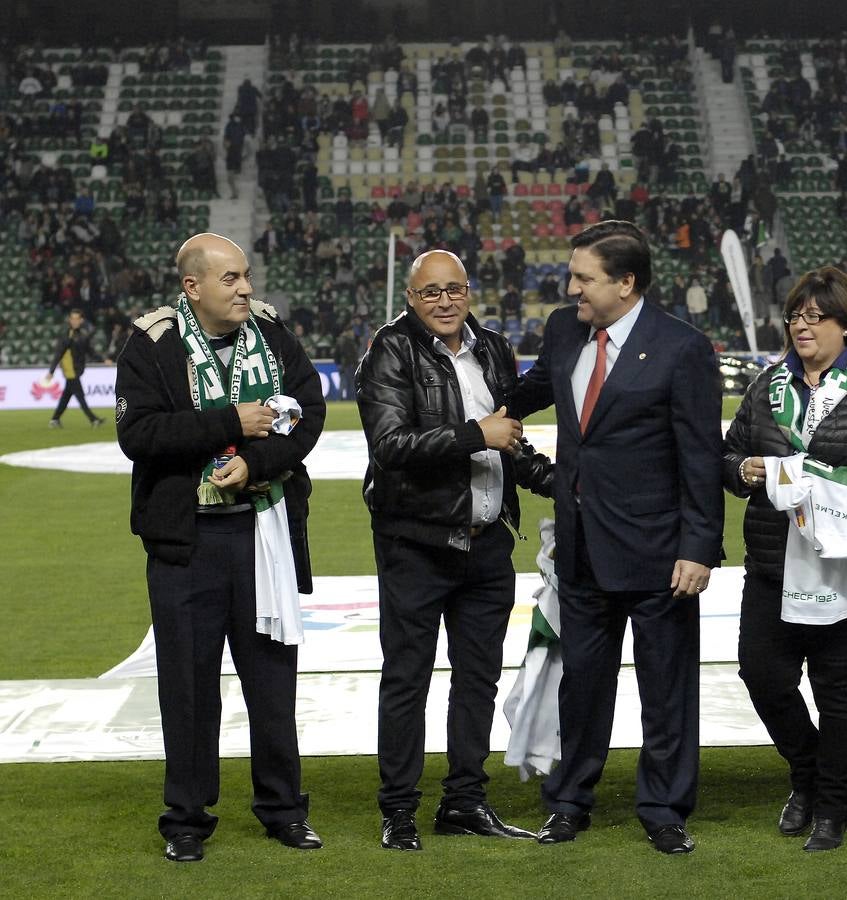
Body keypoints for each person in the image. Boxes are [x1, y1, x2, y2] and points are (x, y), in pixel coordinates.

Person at [507, 220, 724, 855]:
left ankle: (663, 806)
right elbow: (533, 390)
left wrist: (699, 545)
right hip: (579, 551)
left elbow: (700, 454)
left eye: (584, 278)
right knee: (582, 688)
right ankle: (568, 801)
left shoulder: (682, 347)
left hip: (660, 554)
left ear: (626, 284)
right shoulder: (563, 330)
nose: (570, 287)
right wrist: (481, 406)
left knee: (666, 691)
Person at [114, 232, 326, 862]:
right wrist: (233, 422)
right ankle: (185, 818)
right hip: (187, 541)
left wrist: (259, 461)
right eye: (230, 279)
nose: (246, 288)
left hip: (263, 529)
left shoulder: (271, 331)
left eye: (247, 276)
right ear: (192, 287)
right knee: (187, 685)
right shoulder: (151, 343)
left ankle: (284, 810)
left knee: (272, 681)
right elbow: (140, 433)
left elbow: (307, 412)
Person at [357, 249, 554, 852]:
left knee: (478, 679)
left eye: (454, 289)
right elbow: (390, 445)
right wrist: (478, 434)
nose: (444, 301)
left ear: (469, 292)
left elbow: (508, 441)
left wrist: (563, 484)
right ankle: (399, 810)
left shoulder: (492, 348)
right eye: (430, 292)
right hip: (416, 542)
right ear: (411, 299)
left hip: (488, 543)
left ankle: (465, 801)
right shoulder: (390, 350)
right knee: (407, 678)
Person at [721, 267, 847, 852]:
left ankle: (831, 805)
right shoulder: (767, 386)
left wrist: (810, 475)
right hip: (773, 562)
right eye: (795, 315)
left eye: (815, 316)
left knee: (837, 689)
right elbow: (726, 457)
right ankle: (806, 773)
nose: (801, 325)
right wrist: (745, 471)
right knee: (764, 677)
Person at [46, 308, 104, 428]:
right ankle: (93, 420)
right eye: (72, 319)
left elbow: (90, 351)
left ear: (81, 320)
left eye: (76, 319)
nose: (74, 321)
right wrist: (51, 371)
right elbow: (59, 354)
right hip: (70, 370)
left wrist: (103, 360)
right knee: (80, 396)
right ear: (69, 320)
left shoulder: (81, 334)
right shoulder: (67, 335)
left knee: (66, 396)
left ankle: (55, 419)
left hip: (76, 370)